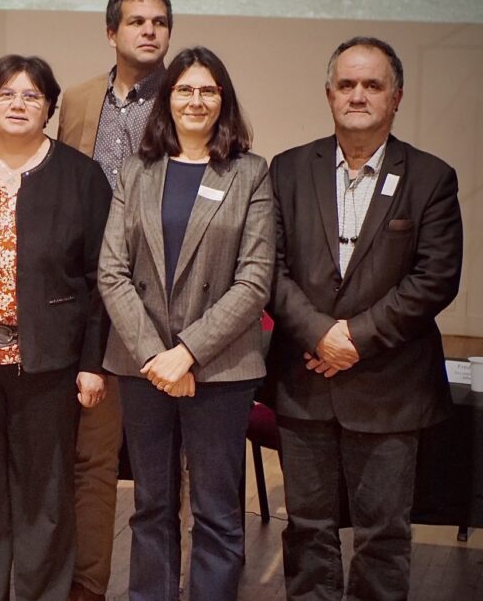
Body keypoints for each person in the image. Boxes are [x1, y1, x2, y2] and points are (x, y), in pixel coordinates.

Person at [266, 37, 462, 601]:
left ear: (396, 96)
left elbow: (434, 279)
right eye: (347, 85)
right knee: (306, 528)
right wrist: (318, 334)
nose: (358, 95)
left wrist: (352, 339)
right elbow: (269, 268)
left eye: (372, 85)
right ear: (329, 94)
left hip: (389, 384)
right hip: (304, 380)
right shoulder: (287, 169)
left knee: (382, 534)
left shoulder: (431, 177)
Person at [99, 46, 273, 601]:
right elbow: (111, 270)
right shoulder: (136, 171)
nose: (195, 100)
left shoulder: (250, 173)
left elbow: (253, 281)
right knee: (151, 505)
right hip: (141, 365)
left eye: (207, 90)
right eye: (184, 90)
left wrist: (187, 353)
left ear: (223, 100)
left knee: (218, 511)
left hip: (219, 368)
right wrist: (155, 355)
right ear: (166, 99)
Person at [0, 55, 110, 600]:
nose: (17, 104)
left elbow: (101, 279)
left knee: (44, 489)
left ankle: (41, 593)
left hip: (48, 361)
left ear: (50, 108)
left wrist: (90, 362)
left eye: (32, 96)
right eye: (6, 93)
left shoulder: (80, 176)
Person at [57, 0, 172, 601]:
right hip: (87, 301)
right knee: (92, 460)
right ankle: (86, 585)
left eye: (159, 22)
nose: (149, 31)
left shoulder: (190, 98)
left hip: (163, 306)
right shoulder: (75, 99)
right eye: (136, 21)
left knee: (159, 470)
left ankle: (158, 587)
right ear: (112, 32)